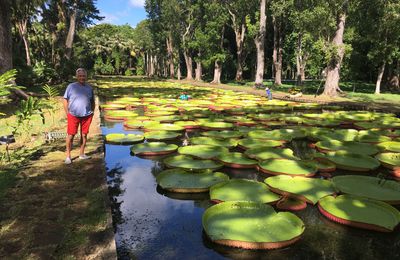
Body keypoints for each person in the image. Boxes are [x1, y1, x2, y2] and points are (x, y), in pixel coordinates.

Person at [63, 68, 95, 164]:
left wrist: (92, 112)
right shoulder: (71, 87)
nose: (82, 77)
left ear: (86, 77)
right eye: (80, 76)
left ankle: (81, 154)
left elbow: (92, 101)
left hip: (87, 115)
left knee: (84, 135)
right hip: (73, 115)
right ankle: (68, 156)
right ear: (77, 77)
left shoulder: (89, 88)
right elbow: (65, 100)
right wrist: (67, 112)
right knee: (71, 135)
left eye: (84, 76)